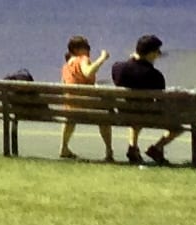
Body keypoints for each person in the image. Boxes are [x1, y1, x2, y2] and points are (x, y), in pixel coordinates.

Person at [113, 34, 184, 165]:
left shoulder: (117, 68)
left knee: (135, 113)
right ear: (151, 54)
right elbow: (161, 101)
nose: (158, 55)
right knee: (178, 127)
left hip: (124, 112)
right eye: (157, 52)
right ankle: (156, 148)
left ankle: (132, 147)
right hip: (147, 114)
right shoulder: (155, 76)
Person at [57, 35, 111, 161]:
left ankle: (63, 147)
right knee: (105, 115)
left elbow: (65, 85)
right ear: (76, 50)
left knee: (69, 116)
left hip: (70, 107)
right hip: (85, 105)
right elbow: (88, 72)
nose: (88, 50)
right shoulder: (82, 59)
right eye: (86, 47)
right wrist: (102, 58)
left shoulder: (66, 66)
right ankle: (109, 150)